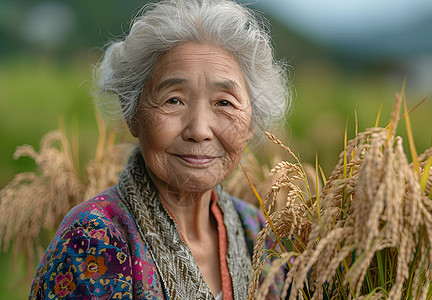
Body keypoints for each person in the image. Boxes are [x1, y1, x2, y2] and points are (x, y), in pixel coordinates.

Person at [29, 0, 290, 299]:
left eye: (224, 103)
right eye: (174, 100)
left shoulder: (256, 232)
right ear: (133, 116)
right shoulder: (93, 238)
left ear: (251, 123)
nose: (199, 130)